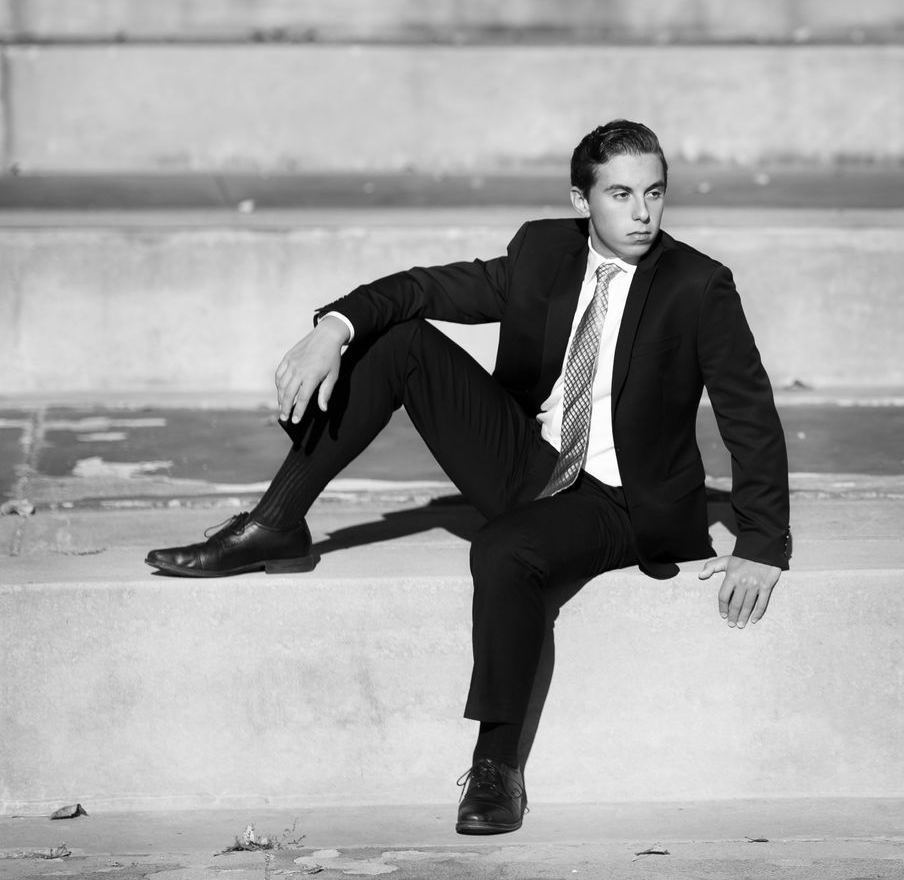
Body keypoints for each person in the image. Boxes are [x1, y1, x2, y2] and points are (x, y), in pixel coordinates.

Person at [144, 120, 790, 835]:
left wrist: (762, 543)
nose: (642, 213)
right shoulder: (544, 251)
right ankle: (278, 522)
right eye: (620, 194)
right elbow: (423, 287)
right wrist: (331, 328)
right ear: (582, 201)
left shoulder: (697, 285)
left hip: (620, 502)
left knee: (505, 550)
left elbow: (749, 415)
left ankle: (496, 763)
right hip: (530, 462)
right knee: (399, 340)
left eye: (654, 193)